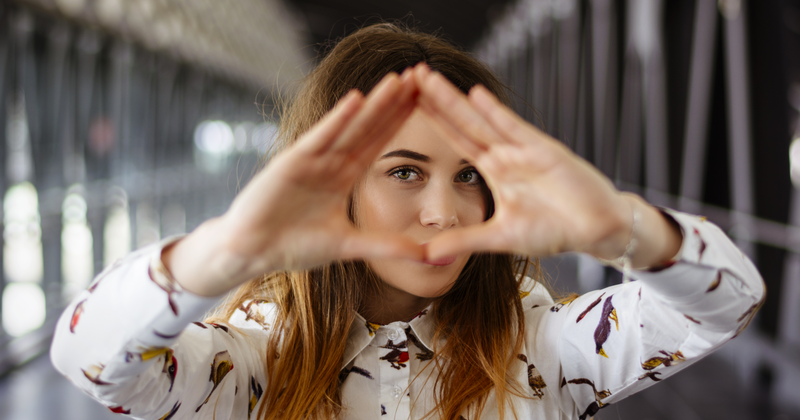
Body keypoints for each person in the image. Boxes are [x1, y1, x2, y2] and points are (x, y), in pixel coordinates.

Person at [51, 23, 764, 420]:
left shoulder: (547, 349)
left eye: (470, 177)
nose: (444, 212)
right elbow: (90, 358)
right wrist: (228, 249)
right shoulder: (249, 364)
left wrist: (619, 227)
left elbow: (727, 304)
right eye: (404, 171)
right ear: (337, 182)